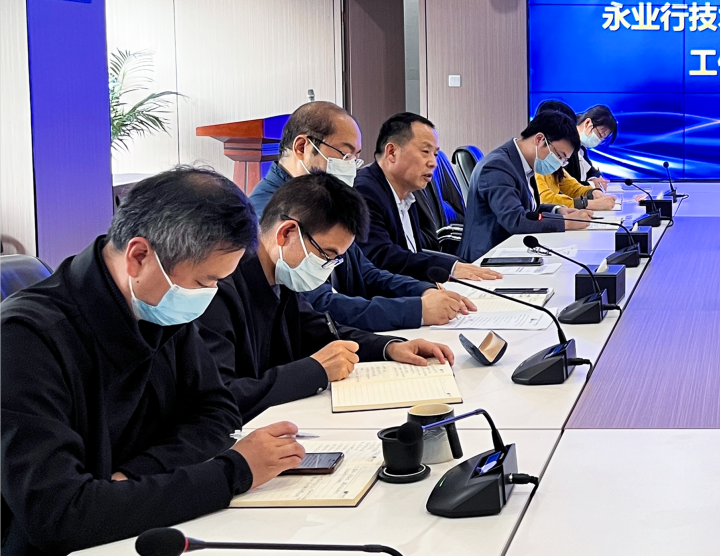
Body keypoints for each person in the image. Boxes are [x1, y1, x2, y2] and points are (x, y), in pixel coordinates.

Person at [1, 167, 306, 556]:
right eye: (205, 282)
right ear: (139, 256)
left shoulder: (157, 302)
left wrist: (133, 476)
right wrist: (233, 472)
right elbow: (60, 514)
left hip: (143, 534)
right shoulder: (25, 339)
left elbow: (216, 411)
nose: (211, 295)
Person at [202, 174, 455, 421]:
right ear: (287, 233)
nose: (328, 266)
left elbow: (320, 330)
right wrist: (315, 370)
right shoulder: (217, 286)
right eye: (326, 254)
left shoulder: (281, 275)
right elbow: (223, 396)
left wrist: (389, 347)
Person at [251, 101, 476, 330]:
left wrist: (423, 291)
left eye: (355, 158)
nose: (352, 167)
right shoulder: (271, 212)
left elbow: (365, 272)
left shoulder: (327, 200)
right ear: (302, 147)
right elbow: (315, 306)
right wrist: (416, 310)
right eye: (345, 155)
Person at [354, 111, 502, 284]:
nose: (433, 163)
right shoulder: (365, 192)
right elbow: (381, 258)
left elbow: (411, 253)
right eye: (425, 151)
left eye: (435, 154)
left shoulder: (407, 192)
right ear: (392, 152)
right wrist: (450, 268)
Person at [461, 109, 593, 262]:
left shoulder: (523, 164)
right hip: (487, 258)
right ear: (539, 139)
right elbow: (515, 220)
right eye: (559, 156)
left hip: (512, 249)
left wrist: (558, 210)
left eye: (564, 160)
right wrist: (567, 222)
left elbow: (528, 210)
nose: (559, 164)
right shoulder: (498, 167)